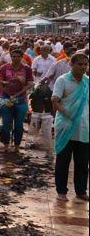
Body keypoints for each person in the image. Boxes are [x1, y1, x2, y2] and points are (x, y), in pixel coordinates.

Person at [52, 52, 89, 202]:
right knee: (63, 161)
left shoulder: (87, 82)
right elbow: (55, 100)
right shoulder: (63, 80)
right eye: (80, 64)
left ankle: (81, 191)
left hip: (83, 128)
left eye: (85, 64)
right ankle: (61, 191)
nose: (83, 67)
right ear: (72, 65)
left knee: (82, 162)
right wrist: (67, 113)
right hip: (66, 126)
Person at [0, 48, 33, 153]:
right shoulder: (4, 67)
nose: (15, 58)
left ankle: (17, 145)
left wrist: (19, 91)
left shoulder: (27, 69)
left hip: (21, 99)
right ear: (10, 57)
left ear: (21, 57)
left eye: (18, 56)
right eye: (13, 56)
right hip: (6, 97)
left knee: (18, 124)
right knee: (6, 122)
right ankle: (6, 144)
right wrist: (6, 84)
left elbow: (30, 83)